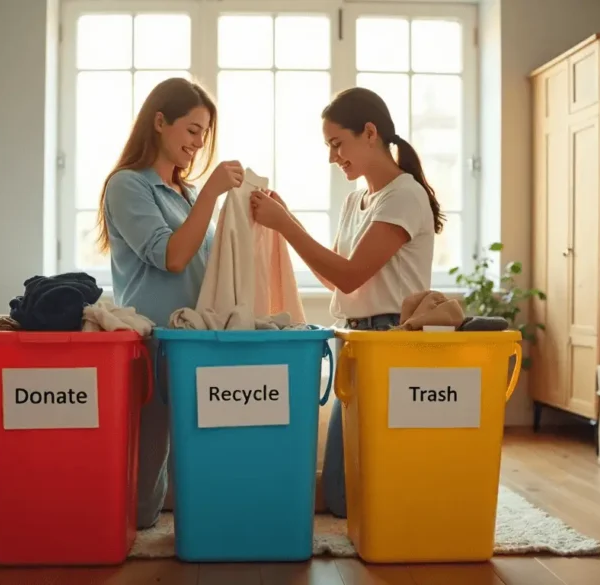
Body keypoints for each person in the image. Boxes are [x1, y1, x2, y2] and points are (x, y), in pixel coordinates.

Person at [248, 86, 444, 518]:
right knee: (340, 492)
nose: (333, 157)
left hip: (390, 339)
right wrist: (289, 222)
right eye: (330, 147)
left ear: (370, 133)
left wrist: (286, 226)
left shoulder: (404, 195)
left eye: (338, 144)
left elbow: (350, 274)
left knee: (359, 488)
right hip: (355, 339)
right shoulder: (358, 201)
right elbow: (338, 280)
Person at [96, 77, 244, 528]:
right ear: (160, 122)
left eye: (204, 134)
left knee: (203, 465)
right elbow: (174, 257)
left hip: (197, 343)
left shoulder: (188, 194)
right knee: (143, 494)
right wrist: (215, 194)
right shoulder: (126, 186)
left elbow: (210, 267)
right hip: (154, 343)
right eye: (192, 130)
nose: (199, 144)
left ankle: (201, 531)